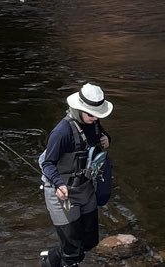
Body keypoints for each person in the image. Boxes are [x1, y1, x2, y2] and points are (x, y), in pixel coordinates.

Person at [38, 83, 114, 267]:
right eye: (91, 114)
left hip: (85, 189)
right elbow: (47, 163)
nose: (95, 118)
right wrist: (58, 184)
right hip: (62, 193)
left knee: (89, 242)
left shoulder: (93, 124)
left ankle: (50, 258)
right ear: (78, 109)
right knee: (73, 252)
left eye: (98, 115)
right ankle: (57, 261)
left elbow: (98, 139)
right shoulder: (62, 132)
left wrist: (107, 139)